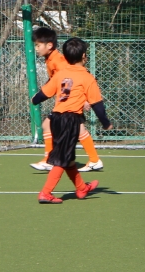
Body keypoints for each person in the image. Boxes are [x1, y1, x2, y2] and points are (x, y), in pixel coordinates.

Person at [30, 37, 113, 204]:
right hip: (70, 120)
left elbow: (44, 94)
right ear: (84, 56)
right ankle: (45, 193)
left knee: (68, 157)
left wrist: (35, 99)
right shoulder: (87, 77)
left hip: (56, 119)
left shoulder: (60, 74)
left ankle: (81, 188)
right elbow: (97, 104)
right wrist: (105, 123)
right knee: (62, 160)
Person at [29, 27, 104, 172]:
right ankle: (94, 160)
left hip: (71, 102)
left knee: (48, 125)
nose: (36, 48)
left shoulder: (58, 61)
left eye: (38, 45)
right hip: (70, 102)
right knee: (75, 128)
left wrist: (84, 99)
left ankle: (50, 160)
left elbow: (74, 78)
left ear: (49, 45)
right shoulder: (51, 59)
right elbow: (56, 80)